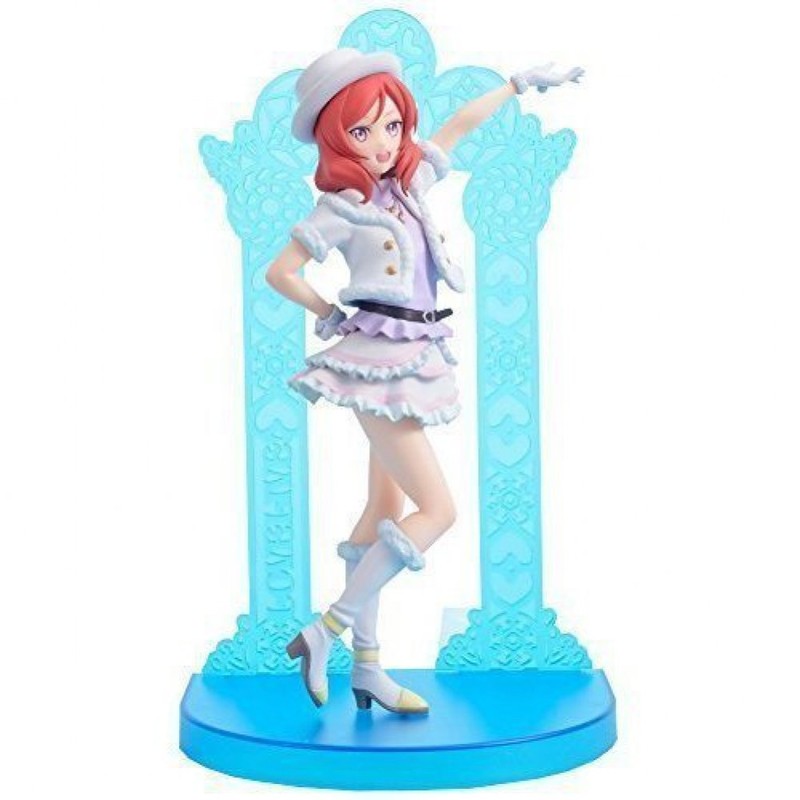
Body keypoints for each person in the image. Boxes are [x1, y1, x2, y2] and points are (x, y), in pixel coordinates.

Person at [266, 47, 583, 714]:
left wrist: (517, 84)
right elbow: (281, 271)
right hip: (374, 363)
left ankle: (368, 670)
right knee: (438, 510)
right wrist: (326, 311)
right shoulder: (341, 207)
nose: (383, 143)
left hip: (416, 353)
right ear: (336, 138)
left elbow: (459, 126)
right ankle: (327, 630)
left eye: (392, 125)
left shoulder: (409, 186)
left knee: (380, 514)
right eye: (362, 131)